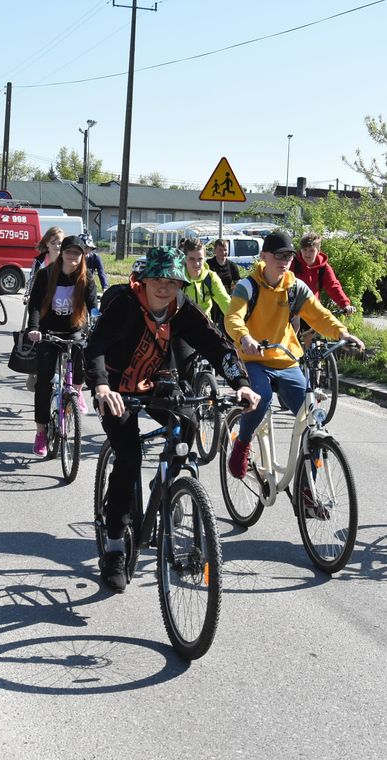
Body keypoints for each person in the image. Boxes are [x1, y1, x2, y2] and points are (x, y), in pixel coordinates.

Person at [85, 246, 260, 592]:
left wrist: (241, 383)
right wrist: (102, 387)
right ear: (145, 279)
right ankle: (116, 546)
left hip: (156, 385)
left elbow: (216, 345)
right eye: (157, 280)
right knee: (129, 455)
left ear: (180, 282)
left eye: (172, 281)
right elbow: (96, 347)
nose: (164, 288)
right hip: (118, 389)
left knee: (187, 425)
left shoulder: (182, 309)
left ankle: (167, 484)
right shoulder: (124, 304)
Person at [224, 230, 365, 485]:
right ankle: (243, 443)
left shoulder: (294, 286)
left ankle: (307, 491)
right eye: (279, 255)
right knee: (262, 397)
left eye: (289, 255)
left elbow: (319, 314)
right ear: (264, 256)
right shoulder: (248, 285)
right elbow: (232, 317)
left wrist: (342, 333)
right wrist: (245, 337)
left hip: (286, 358)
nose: (285, 260)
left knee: (310, 419)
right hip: (253, 358)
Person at [25, 235, 99, 456]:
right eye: (69, 251)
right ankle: (41, 432)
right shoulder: (46, 275)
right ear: (62, 253)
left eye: (77, 252)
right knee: (44, 382)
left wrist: (96, 325)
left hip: (74, 329)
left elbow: (93, 307)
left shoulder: (86, 279)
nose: (72, 256)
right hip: (48, 332)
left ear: (82, 255)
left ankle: (75, 394)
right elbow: (35, 305)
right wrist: (34, 329)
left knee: (81, 360)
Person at [175, 238, 231, 382]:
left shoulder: (211, 278)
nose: (196, 264)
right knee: (184, 369)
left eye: (200, 259)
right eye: (192, 259)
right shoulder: (177, 278)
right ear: (184, 258)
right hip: (181, 330)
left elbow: (226, 304)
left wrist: (241, 328)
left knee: (226, 354)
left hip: (205, 326)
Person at [291, 232, 355, 315]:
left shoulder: (323, 267)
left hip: (312, 309)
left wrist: (345, 304)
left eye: (311, 250)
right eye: (304, 249)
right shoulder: (292, 263)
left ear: (318, 251)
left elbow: (333, 286)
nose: (307, 254)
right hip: (291, 310)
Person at [23, 226, 65, 305]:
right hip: (43, 296)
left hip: (62, 300)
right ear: (47, 244)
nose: (57, 246)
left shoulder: (66, 260)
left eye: (60, 243)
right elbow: (32, 278)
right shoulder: (39, 261)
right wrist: (27, 294)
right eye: (53, 243)